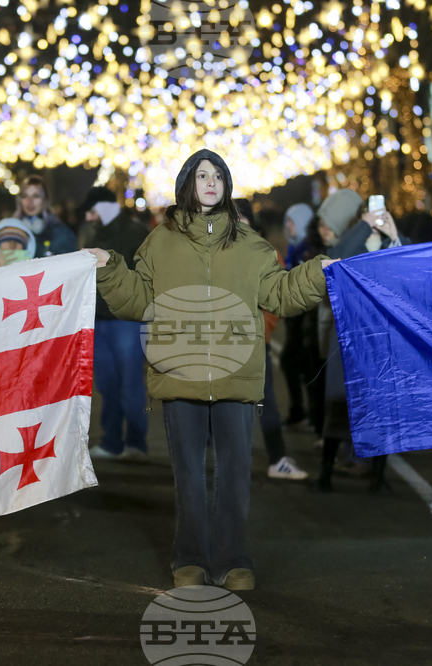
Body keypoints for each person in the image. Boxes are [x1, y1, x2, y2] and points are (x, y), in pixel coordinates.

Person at [86, 149, 337, 591]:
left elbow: (279, 294)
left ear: (227, 185)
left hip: (236, 376)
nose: (210, 181)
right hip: (179, 374)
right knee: (188, 476)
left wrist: (319, 273)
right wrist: (110, 269)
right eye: (201, 174)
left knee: (235, 474)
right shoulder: (159, 241)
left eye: (217, 174)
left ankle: (234, 561)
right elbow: (138, 299)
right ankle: (190, 561)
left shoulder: (251, 244)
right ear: (187, 183)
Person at [314, 191, 409, 493]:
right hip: (349, 339)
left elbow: (411, 264)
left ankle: (378, 476)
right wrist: (365, 227)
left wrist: (393, 236)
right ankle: (325, 474)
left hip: (379, 340)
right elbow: (337, 257)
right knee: (340, 409)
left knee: (381, 408)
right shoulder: (350, 240)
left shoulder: (385, 240)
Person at [234, 198, 308, 481]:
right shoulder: (214, 251)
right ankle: (220, 457)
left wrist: (262, 329)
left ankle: (277, 458)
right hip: (222, 341)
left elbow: (275, 298)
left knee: (265, 400)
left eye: (241, 220)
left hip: (254, 341)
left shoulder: (266, 252)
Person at [80, 186, 151, 462]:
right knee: (107, 384)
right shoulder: (95, 232)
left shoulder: (134, 233)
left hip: (126, 321)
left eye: (93, 210)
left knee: (130, 383)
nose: (89, 216)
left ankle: (135, 442)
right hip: (100, 319)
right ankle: (112, 441)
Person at [280, 203, 316, 429]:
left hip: (306, 319)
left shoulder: (308, 250)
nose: (287, 228)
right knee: (293, 363)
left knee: (304, 366)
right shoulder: (294, 249)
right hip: (296, 319)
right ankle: (302, 411)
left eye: (291, 223)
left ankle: (309, 414)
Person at [15, 175, 78, 258]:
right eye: (25, 196)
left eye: (36, 196)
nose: (30, 201)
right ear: (20, 200)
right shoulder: (11, 231)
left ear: (45, 200)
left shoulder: (62, 233)